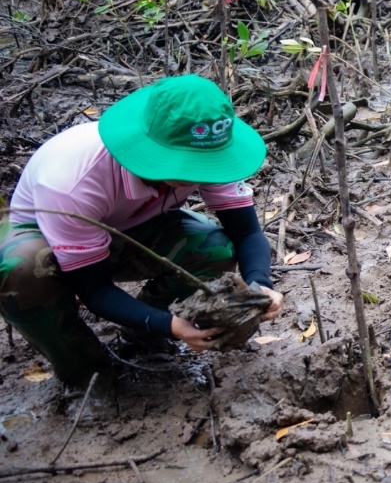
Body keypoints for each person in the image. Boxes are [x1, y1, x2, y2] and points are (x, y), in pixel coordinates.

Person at [1, 75, 283, 386]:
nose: (204, 173)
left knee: (215, 249)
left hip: (130, 227)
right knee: (21, 273)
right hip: (47, 238)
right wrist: (169, 325)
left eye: (211, 163)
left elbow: (246, 233)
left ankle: (141, 336)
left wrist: (260, 284)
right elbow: (94, 289)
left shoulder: (208, 148)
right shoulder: (72, 181)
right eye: (192, 165)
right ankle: (87, 374)